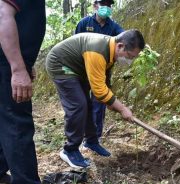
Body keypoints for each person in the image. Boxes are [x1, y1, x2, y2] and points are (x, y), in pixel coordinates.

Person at [45, 29, 145, 168]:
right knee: (78, 105)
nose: (130, 61)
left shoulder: (110, 51)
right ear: (120, 46)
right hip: (61, 64)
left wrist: (111, 101)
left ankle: (91, 141)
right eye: (130, 56)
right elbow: (99, 91)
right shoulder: (97, 50)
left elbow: (104, 79)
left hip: (79, 68)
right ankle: (70, 150)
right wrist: (122, 108)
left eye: (133, 57)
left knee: (88, 104)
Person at [0, 0, 46, 184]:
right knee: (17, 122)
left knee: (4, 119)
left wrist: (26, 62)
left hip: (8, 61)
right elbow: (2, 14)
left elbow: (23, 23)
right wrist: (18, 68)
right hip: (5, 65)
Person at [75, 0, 124, 155]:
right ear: (95, 5)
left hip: (103, 72)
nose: (106, 7)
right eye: (103, 4)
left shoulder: (113, 27)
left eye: (109, 5)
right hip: (83, 71)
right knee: (83, 104)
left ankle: (95, 138)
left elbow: (125, 38)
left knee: (100, 103)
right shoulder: (84, 23)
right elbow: (75, 43)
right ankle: (83, 138)